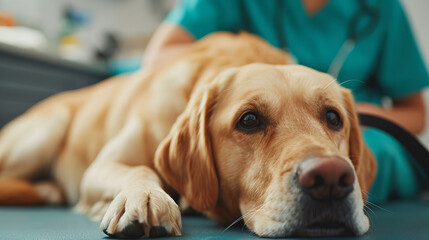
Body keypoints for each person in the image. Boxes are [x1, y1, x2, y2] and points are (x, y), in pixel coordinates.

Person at [144, 0, 429, 203]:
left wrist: (355, 116)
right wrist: (251, 78)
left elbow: (416, 113)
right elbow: (159, 57)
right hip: (252, 123)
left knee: (373, 150)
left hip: (361, 127)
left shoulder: (382, 7)